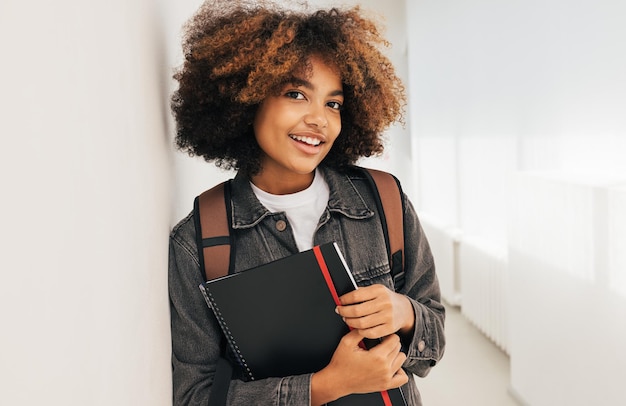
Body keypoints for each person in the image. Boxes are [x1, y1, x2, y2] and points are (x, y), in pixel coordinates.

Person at [168, 1, 445, 405]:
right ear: (247, 98)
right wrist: (326, 386)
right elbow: (194, 397)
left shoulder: (384, 201)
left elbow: (432, 341)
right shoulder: (197, 241)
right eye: (296, 94)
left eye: (333, 103)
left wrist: (404, 313)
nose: (320, 120)